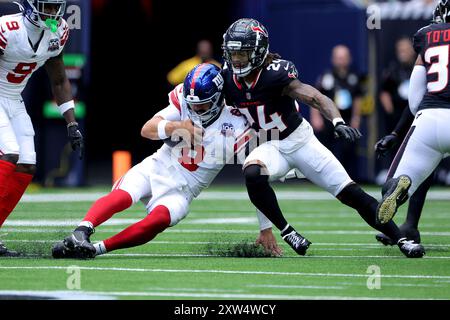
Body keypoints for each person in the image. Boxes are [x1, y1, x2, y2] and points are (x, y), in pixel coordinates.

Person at [221, 18, 424, 258]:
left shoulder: (276, 74)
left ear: (257, 51)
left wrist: (337, 121)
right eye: (233, 53)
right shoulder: (226, 79)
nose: (236, 59)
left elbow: (315, 97)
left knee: (352, 195)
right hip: (269, 146)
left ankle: (401, 239)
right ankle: (288, 232)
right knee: (253, 173)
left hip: (300, 141)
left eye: (242, 53)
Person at [52, 63, 282, 259]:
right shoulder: (183, 102)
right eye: (191, 103)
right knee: (123, 195)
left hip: (184, 189)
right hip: (158, 166)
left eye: (201, 104)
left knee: (159, 219)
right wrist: (177, 126)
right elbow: (147, 129)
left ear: (218, 99)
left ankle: (95, 249)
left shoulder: (237, 123)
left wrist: (266, 228)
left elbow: (256, 180)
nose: (194, 108)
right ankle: (81, 232)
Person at [0, 0, 84, 257]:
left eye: (55, 7)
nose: (51, 13)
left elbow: (59, 80)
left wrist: (71, 123)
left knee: (27, 164)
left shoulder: (57, 32)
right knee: (10, 153)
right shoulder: (7, 27)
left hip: (14, 97)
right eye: (46, 7)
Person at [376, 0, 450, 227]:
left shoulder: (426, 35)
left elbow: (415, 97)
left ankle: (405, 205)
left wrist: (397, 132)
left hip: (428, 119)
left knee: (394, 183)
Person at [311, 45, 363, 179]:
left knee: (348, 149)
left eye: (343, 57)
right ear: (333, 59)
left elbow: (358, 99)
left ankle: (347, 178)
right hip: (329, 118)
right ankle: (324, 177)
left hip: (346, 118)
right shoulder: (326, 76)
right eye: (338, 57)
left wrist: (356, 118)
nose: (340, 60)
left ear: (349, 59)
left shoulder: (354, 77)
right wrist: (316, 117)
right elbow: (314, 96)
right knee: (326, 149)